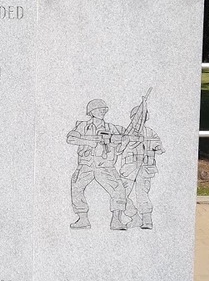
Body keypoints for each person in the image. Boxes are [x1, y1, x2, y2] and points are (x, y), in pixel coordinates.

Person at [66, 98, 129, 230]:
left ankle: (116, 220)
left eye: (104, 110)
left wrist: (121, 142)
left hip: (105, 165)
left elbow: (127, 136)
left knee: (118, 189)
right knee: (76, 186)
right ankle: (83, 219)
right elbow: (71, 138)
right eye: (99, 109)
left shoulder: (112, 128)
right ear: (91, 111)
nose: (102, 112)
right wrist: (90, 142)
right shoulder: (83, 126)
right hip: (86, 164)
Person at [118, 117, 165, 230]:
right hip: (128, 168)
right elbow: (119, 149)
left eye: (142, 117)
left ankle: (147, 220)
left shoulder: (150, 132)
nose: (139, 120)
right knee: (120, 194)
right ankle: (134, 217)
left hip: (145, 168)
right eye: (136, 117)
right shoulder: (126, 132)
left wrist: (154, 147)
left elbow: (160, 149)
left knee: (142, 195)